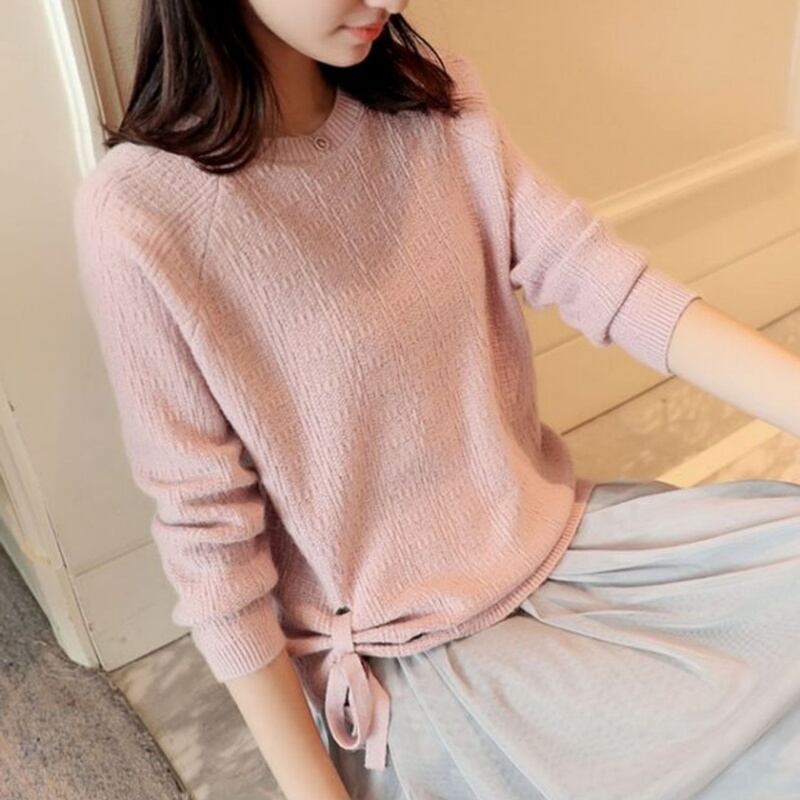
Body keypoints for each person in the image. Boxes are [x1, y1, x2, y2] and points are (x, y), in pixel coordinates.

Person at [71, 1, 800, 798]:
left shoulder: (438, 103)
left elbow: (609, 284)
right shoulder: (140, 216)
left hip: (568, 551)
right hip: (421, 661)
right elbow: (209, 545)